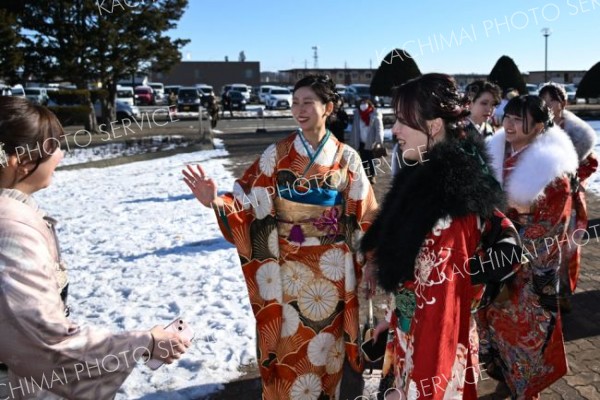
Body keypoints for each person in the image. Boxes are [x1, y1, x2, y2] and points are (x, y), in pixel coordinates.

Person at [183, 74, 378, 399]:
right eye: (295, 102)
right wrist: (215, 202)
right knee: (287, 354)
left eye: (308, 102)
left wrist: (371, 261)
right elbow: (246, 200)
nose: (299, 109)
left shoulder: (347, 158)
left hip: (331, 276)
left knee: (326, 356)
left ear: (327, 107)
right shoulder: (277, 155)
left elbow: (368, 213)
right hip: (288, 275)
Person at [0, 97, 190, 399]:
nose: (62, 155)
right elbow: (47, 342)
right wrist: (144, 343)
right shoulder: (11, 228)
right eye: (54, 147)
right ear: (19, 162)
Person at [360, 73, 521, 399]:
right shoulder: (434, 179)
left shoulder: (443, 214)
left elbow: (439, 317)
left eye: (403, 121)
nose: (393, 130)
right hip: (417, 338)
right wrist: (394, 323)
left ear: (433, 126)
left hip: (432, 358)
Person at [481, 95, 578, 398]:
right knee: (495, 334)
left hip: (527, 274)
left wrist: (506, 243)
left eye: (517, 119)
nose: (507, 124)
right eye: (506, 116)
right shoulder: (492, 158)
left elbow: (550, 230)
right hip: (493, 264)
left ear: (538, 126)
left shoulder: (552, 173)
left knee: (526, 344)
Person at [539, 82, 598, 310]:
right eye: (543, 101)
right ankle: (546, 291)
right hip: (545, 200)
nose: (548, 105)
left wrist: (574, 177)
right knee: (546, 246)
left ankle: (563, 292)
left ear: (562, 103)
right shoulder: (538, 128)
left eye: (552, 100)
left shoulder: (578, 134)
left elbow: (592, 162)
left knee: (568, 246)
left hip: (570, 199)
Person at [348, 99, 384, 184]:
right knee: (363, 160)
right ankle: (365, 175)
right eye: (361, 103)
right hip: (360, 141)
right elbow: (354, 129)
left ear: (369, 104)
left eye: (365, 103)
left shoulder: (375, 114)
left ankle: (372, 175)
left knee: (371, 160)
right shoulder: (357, 115)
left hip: (371, 141)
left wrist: (379, 141)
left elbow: (379, 129)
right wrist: (353, 141)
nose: (363, 105)